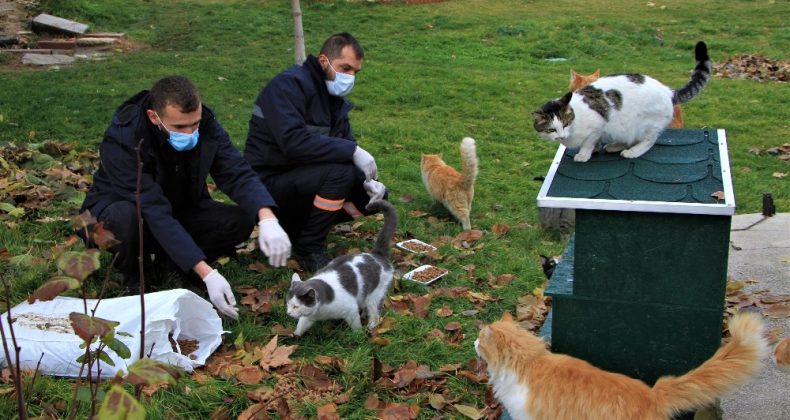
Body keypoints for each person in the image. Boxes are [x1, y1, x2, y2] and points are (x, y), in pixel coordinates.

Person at [81, 75, 291, 318]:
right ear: (154, 117)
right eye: (180, 127)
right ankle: (136, 277)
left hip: (178, 206)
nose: (190, 132)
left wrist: (266, 217)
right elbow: (152, 208)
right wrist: (206, 272)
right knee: (125, 217)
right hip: (117, 214)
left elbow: (236, 172)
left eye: (195, 124)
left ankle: (172, 265)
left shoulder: (207, 124)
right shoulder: (123, 138)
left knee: (240, 219)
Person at [244, 33, 387, 272]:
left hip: (304, 179)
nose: (350, 77)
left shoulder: (334, 99)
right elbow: (293, 142)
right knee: (339, 174)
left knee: (372, 196)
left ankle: (301, 228)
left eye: (355, 72)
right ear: (323, 61)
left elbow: (344, 144)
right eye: (345, 68)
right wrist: (353, 150)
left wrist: (367, 180)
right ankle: (309, 246)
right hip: (269, 184)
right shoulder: (288, 86)